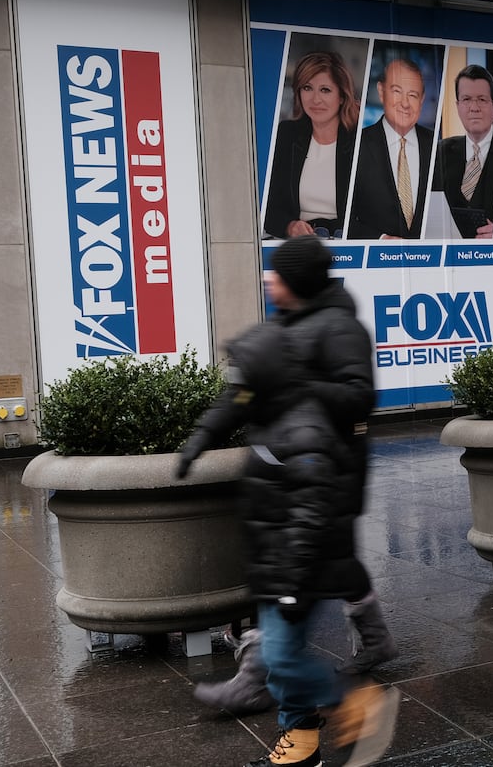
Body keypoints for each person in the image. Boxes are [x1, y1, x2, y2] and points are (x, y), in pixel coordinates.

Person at [176, 235, 399, 767]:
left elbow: (358, 398)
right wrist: (201, 438)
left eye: (276, 272)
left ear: (298, 281)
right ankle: (299, 739)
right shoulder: (284, 326)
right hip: (281, 490)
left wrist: (301, 386)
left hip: (320, 480)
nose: (266, 279)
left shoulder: (339, 328)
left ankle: (351, 693)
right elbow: (243, 392)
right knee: (288, 619)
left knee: (295, 614)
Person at [262, 51, 360, 239]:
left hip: (346, 245)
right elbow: (268, 207)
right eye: (307, 88)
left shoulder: (361, 140)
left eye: (325, 90)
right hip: (297, 246)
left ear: (341, 96)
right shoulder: (286, 135)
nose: (315, 100)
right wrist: (290, 226)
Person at [350, 58, 432, 239]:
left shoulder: (436, 146)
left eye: (413, 95)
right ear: (381, 92)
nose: (405, 103)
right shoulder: (357, 146)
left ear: (422, 100)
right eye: (397, 91)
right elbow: (344, 219)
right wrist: (380, 240)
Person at [434, 64, 493, 239]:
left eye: (482, 99)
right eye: (466, 99)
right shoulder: (440, 152)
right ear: (458, 107)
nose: (474, 108)